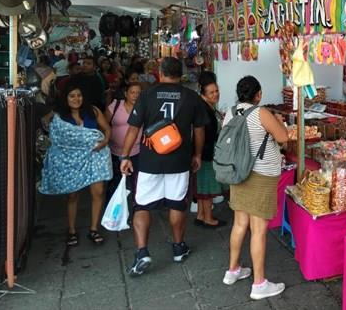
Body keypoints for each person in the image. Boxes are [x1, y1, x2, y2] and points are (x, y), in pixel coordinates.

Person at [119, 57, 208, 276]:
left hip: (150, 159)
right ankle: (178, 247)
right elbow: (199, 130)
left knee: (142, 206)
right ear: (181, 73)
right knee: (177, 204)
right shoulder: (191, 97)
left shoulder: (147, 95)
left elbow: (133, 129)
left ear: (160, 72)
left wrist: (125, 156)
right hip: (179, 160)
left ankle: (142, 253)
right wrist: (197, 154)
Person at [222, 76, 288, 301]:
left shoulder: (231, 112)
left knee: (240, 223)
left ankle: (232, 271)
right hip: (261, 175)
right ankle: (259, 283)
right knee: (258, 230)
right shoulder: (261, 113)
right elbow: (283, 138)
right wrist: (278, 121)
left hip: (238, 173)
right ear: (258, 94)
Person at [45, 82, 112, 246]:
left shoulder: (93, 111)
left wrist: (104, 143)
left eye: (79, 95)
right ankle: (72, 230)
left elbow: (107, 130)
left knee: (98, 192)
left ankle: (94, 228)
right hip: (71, 161)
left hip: (95, 156)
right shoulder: (60, 116)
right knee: (72, 195)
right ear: (66, 98)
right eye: (72, 96)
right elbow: (55, 139)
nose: (76, 99)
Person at [194, 79, 224, 228]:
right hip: (206, 153)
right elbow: (207, 133)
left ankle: (200, 215)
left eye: (216, 91)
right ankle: (208, 218)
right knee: (207, 187)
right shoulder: (205, 110)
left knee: (201, 185)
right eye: (211, 92)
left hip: (203, 152)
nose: (215, 94)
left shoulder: (207, 107)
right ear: (203, 94)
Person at [105, 82, 142, 202]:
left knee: (135, 184)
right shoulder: (115, 105)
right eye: (132, 92)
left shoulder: (143, 108)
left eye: (138, 93)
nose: (135, 95)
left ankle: (133, 212)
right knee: (114, 184)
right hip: (114, 153)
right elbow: (104, 125)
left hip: (136, 153)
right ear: (126, 94)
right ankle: (111, 214)